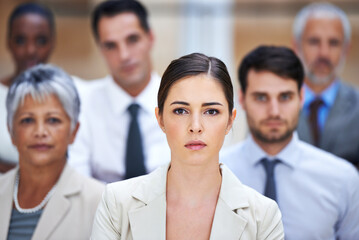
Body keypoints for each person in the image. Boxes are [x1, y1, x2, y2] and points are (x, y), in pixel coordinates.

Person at [90, 53, 284, 240]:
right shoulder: (117, 203)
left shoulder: (264, 216)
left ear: (230, 121)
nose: (196, 127)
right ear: (160, 119)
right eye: (181, 110)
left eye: (211, 111)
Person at [221, 46, 359, 239]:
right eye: (261, 97)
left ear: (301, 97)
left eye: (285, 97)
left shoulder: (343, 180)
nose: (274, 111)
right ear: (242, 99)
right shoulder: (215, 174)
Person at [68, 0, 170, 182]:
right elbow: (78, 185)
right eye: (111, 45)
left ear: (150, 38)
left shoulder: (182, 102)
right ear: (100, 50)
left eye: (132, 40)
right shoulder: (82, 102)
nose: (124, 55)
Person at [0, 64, 104, 239]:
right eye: (27, 120)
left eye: (53, 120)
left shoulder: (101, 201)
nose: (40, 131)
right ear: (11, 131)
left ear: (74, 131)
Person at [292, 2, 359, 168]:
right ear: (296, 46)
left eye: (334, 43)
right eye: (314, 42)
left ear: (346, 49)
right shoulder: (274, 105)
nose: (324, 53)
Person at [0, 2, 55, 173]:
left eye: (40, 40)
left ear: (52, 43)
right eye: (21, 40)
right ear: (8, 43)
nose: (31, 50)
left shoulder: (68, 95)